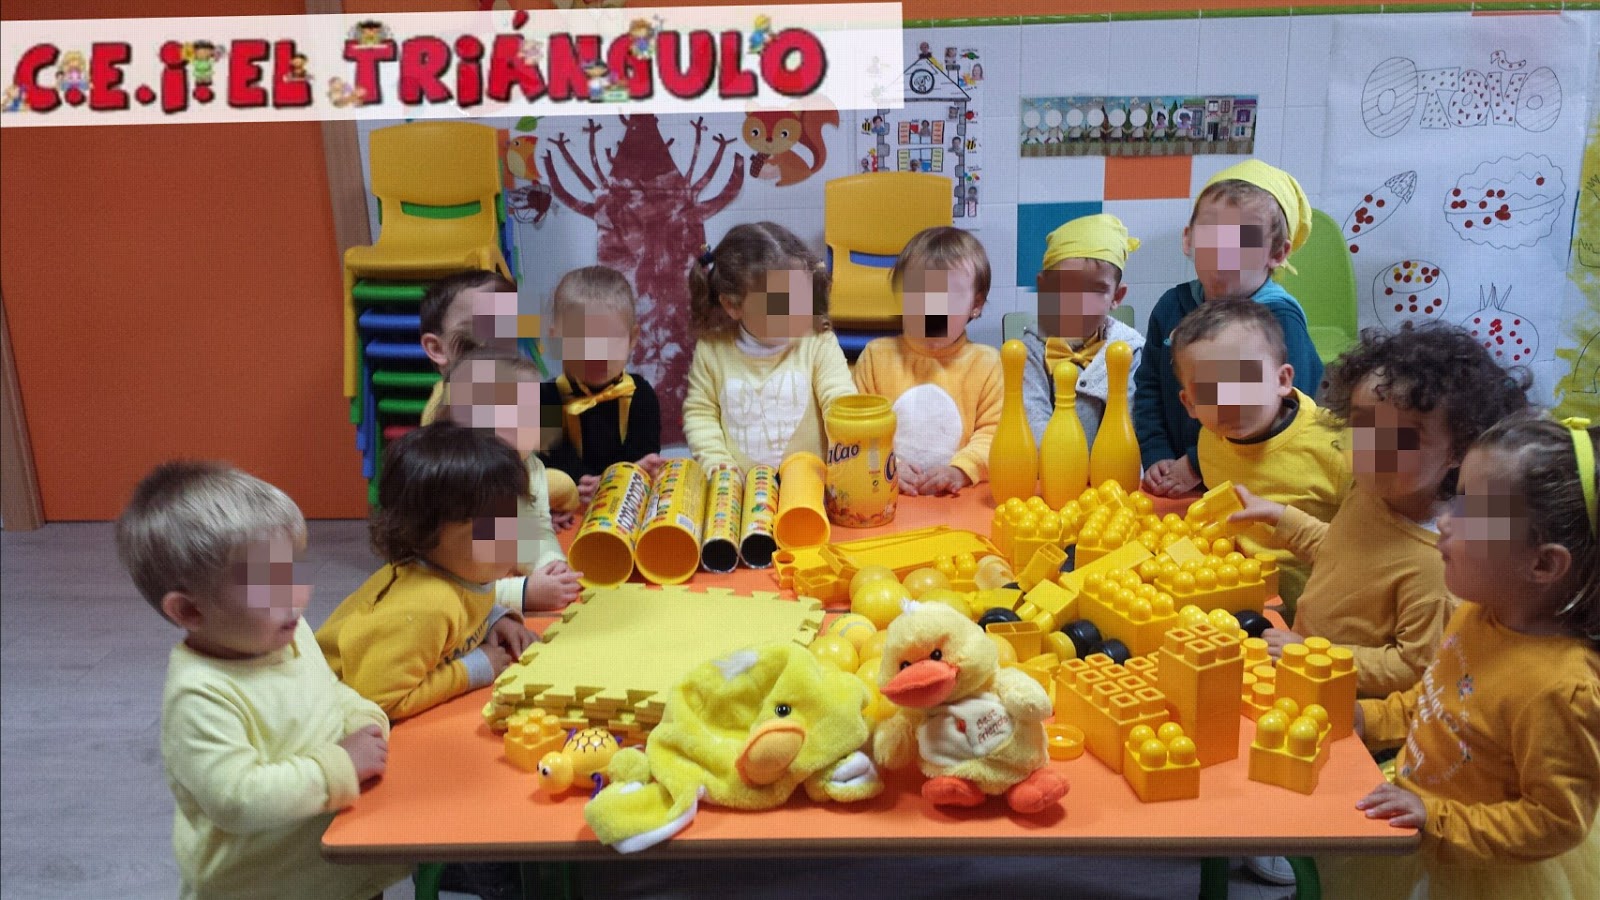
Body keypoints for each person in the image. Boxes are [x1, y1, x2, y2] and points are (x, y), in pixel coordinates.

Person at [1324, 415, 1600, 900]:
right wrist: (1372, 718)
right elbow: (1437, 702)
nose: (1446, 521)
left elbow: (1554, 821)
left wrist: (1437, 818)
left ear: (1543, 563)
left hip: (1480, 867)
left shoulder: (1562, 690)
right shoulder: (1477, 612)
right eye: (1458, 497)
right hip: (1421, 810)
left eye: (1473, 511)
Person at [117, 461, 407, 900]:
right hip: (261, 885)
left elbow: (328, 691)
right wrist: (341, 766)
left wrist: (364, 719)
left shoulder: (288, 632)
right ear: (190, 611)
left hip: (332, 866)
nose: (295, 595)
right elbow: (238, 798)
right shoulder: (201, 695)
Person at [1230, 323, 1531, 695]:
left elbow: (1415, 668)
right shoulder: (1371, 494)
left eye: (1403, 437)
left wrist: (1312, 653)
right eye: (1363, 424)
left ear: (1459, 450)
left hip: (1351, 702)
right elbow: (1342, 553)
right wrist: (1281, 517)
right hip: (1302, 665)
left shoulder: (1437, 565)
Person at [317, 423, 540, 721]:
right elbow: (377, 700)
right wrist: (473, 669)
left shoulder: (465, 573)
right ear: (425, 534)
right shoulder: (427, 605)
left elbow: (470, 603)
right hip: (326, 713)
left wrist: (494, 621)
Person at [1135, 160, 1324, 497]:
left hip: (1256, 487)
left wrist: (1196, 463)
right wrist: (1157, 452)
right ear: (1189, 239)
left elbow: (1289, 415)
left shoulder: (1278, 318)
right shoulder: (1170, 306)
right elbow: (1149, 388)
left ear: (1277, 253)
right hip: (1178, 481)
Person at [1169, 299, 1348, 615]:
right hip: (1241, 604)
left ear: (1282, 380)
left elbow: (1382, 546)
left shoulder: (1338, 445)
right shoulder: (1210, 438)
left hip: (1324, 617)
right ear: (1190, 404)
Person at [683, 222, 856, 473]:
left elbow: (839, 400)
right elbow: (701, 414)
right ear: (733, 306)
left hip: (810, 483)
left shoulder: (818, 340)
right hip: (740, 489)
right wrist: (718, 465)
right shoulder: (712, 349)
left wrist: (855, 442)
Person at [853, 226, 1000, 496]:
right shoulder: (876, 357)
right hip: (887, 497)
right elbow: (857, 432)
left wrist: (961, 469)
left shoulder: (988, 364)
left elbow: (995, 435)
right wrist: (888, 466)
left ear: (975, 304)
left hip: (958, 500)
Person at [440, 348, 582, 611]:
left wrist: (550, 564)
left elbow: (535, 530)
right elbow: (450, 586)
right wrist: (524, 592)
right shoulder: (459, 484)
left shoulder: (530, 467)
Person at [539, 265, 665, 519]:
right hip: (571, 509)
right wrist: (584, 483)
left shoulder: (641, 394)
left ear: (632, 339)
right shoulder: (545, 399)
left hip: (628, 504)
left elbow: (645, 453)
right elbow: (552, 462)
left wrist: (612, 480)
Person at [1022, 213, 1145, 451]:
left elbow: (1131, 424)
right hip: (1051, 466)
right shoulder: (1032, 349)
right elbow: (1032, 420)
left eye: (1097, 290)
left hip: (1114, 468)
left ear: (1117, 296)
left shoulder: (1131, 350)